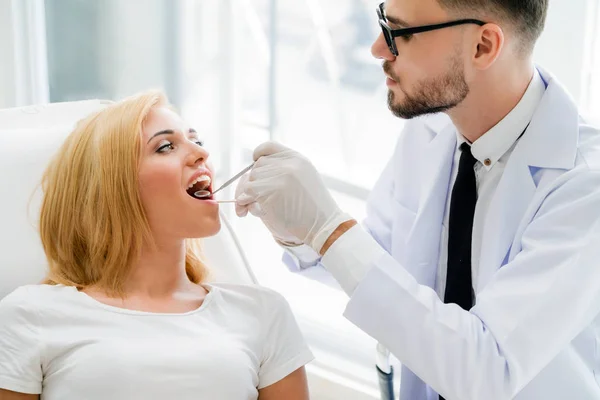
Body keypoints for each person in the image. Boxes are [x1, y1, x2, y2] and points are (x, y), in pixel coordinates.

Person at [235, 0, 600, 399]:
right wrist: (300, 231)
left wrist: (328, 227)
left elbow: (486, 371)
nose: (377, 48)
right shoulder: (431, 129)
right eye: (382, 23)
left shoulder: (584, 188)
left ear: (483, 46)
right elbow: (384, 268)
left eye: (401, 33)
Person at [0, 91, 313, 400]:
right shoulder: (31, 315)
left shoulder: (262, 312)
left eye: (197, 141)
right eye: (166, 147)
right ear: (112, 188)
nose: (201, 154)